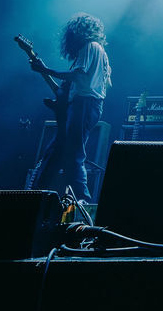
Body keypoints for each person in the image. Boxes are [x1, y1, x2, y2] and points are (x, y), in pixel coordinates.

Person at [29, 12, 110, 203]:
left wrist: (46, 70)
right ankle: (35, 197)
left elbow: (78, 76)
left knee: (74, 155)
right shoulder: (96, 51)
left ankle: (83, 202)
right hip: (83, 104)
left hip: (84, 104)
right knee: (54, 153)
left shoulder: (90, 46)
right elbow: (69, 88)